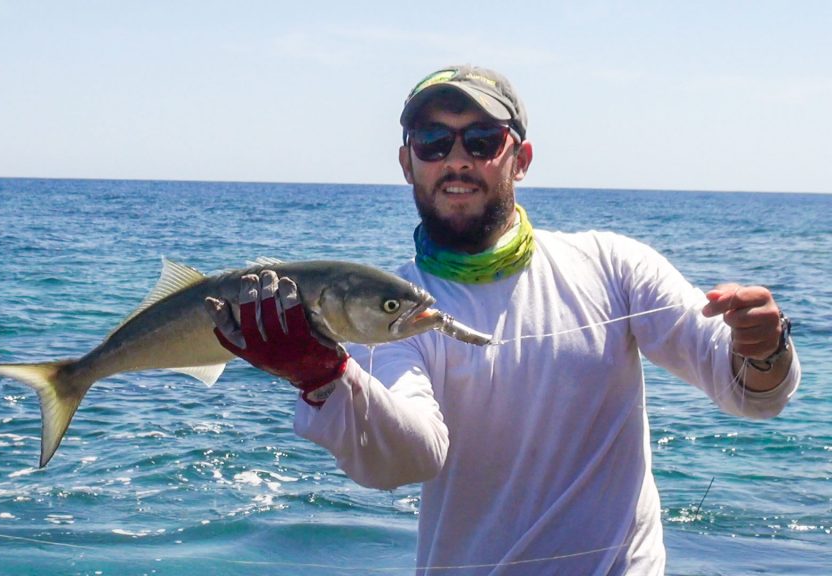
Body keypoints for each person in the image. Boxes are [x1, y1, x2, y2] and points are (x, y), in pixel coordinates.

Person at [204, 65, 800, 575]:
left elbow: (748, 393)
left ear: (522, 158)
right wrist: (323, 376)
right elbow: (406, 459)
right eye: (433, 141)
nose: (457, 160)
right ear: (407, 162)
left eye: (482, 140)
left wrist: (764, 346)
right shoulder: (386, 307)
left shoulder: (612, 264)